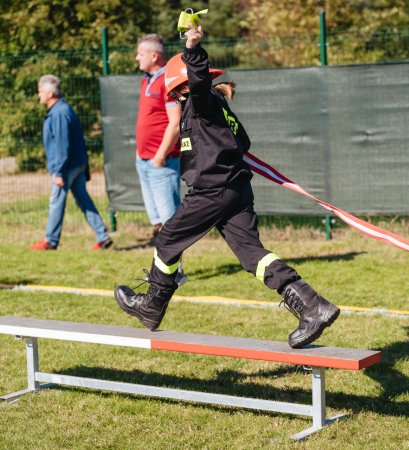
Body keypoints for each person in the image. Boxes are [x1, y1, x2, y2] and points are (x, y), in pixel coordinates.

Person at [114, 24, 340, 348]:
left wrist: (192, 48)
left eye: (176, 95)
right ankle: (312, 306)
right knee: (252, 256)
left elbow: (199, 82)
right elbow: (243, 141)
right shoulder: (220, 109)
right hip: (236, 191)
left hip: (212, 190)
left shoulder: (199, 103)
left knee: (167, 240)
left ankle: (152, 305)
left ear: (181, 88)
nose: (175, 101)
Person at [29, 74, 112, 251]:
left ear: (50, 93)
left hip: (66, 167)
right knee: (84, 200)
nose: (39, 95)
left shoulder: (59, 113)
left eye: (40, 91)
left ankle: (50, 241)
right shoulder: (63, 109)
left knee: (56, 202)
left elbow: (61, 146)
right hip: (77, 164)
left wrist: (58, 172)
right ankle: (102, 236)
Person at [135, 34, 186, 284]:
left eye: (140, 54)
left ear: (154, 55)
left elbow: (175, 124)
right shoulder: (146, 81)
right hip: (144, 161)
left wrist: (159, 156)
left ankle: (175, 273)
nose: (137, 58)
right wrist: (141, 154)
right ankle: (164, 270)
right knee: (160, 223)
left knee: (170, 222)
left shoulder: (168, 80)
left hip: (161, 163)